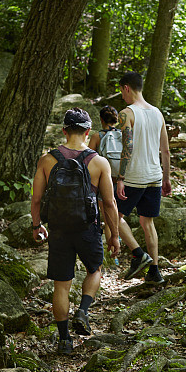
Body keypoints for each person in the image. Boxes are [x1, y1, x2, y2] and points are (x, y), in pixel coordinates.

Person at [31, 108, 120, 354]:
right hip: (88, 228)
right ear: (88, 131)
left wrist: (36, 225)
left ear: (64, 130)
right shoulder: (99, 162)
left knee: (61, 285)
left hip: (58, 230)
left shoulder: (47, 160)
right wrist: (114, 234)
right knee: (95, 269)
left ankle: (64, 340)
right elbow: (109, 203)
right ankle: (83, 311)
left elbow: (36, 199)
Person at [115, 71, 171, 284]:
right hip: (155, 176)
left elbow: (127, 146)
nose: (122, 96)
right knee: (147, 222)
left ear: (127, 88)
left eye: (121, 91)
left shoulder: (127, 113)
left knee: (113, 215)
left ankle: (138, 254)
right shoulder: (158, 113)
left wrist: (121, 177)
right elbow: (165, 151)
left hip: (134, 177)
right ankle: (155, 271)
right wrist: (166, 178)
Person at [89, 105, 120, 244]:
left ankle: (113, 250)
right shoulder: (123, 135)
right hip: (121, 179)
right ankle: (117, 241)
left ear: (101, 119)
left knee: (108, 218)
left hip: (104, 181)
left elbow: (88, 158)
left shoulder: (97, 136)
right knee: (116, 214)